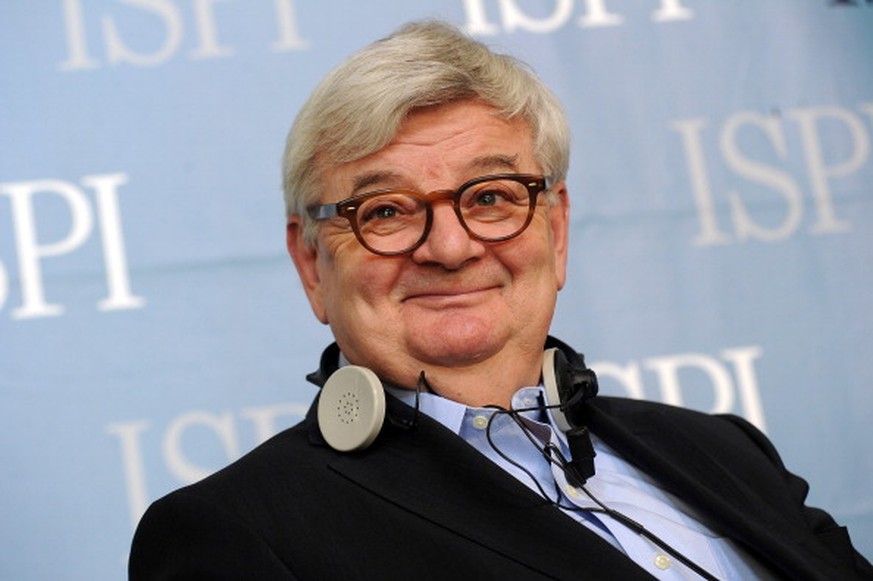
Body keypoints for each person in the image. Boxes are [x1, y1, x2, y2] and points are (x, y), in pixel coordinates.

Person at [129, 20, 873, 580]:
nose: (449, 248)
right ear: (310, 263)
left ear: (556, 227)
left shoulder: (720, 449)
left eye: (489, 196)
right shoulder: (234, 531)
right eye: (384, 210)